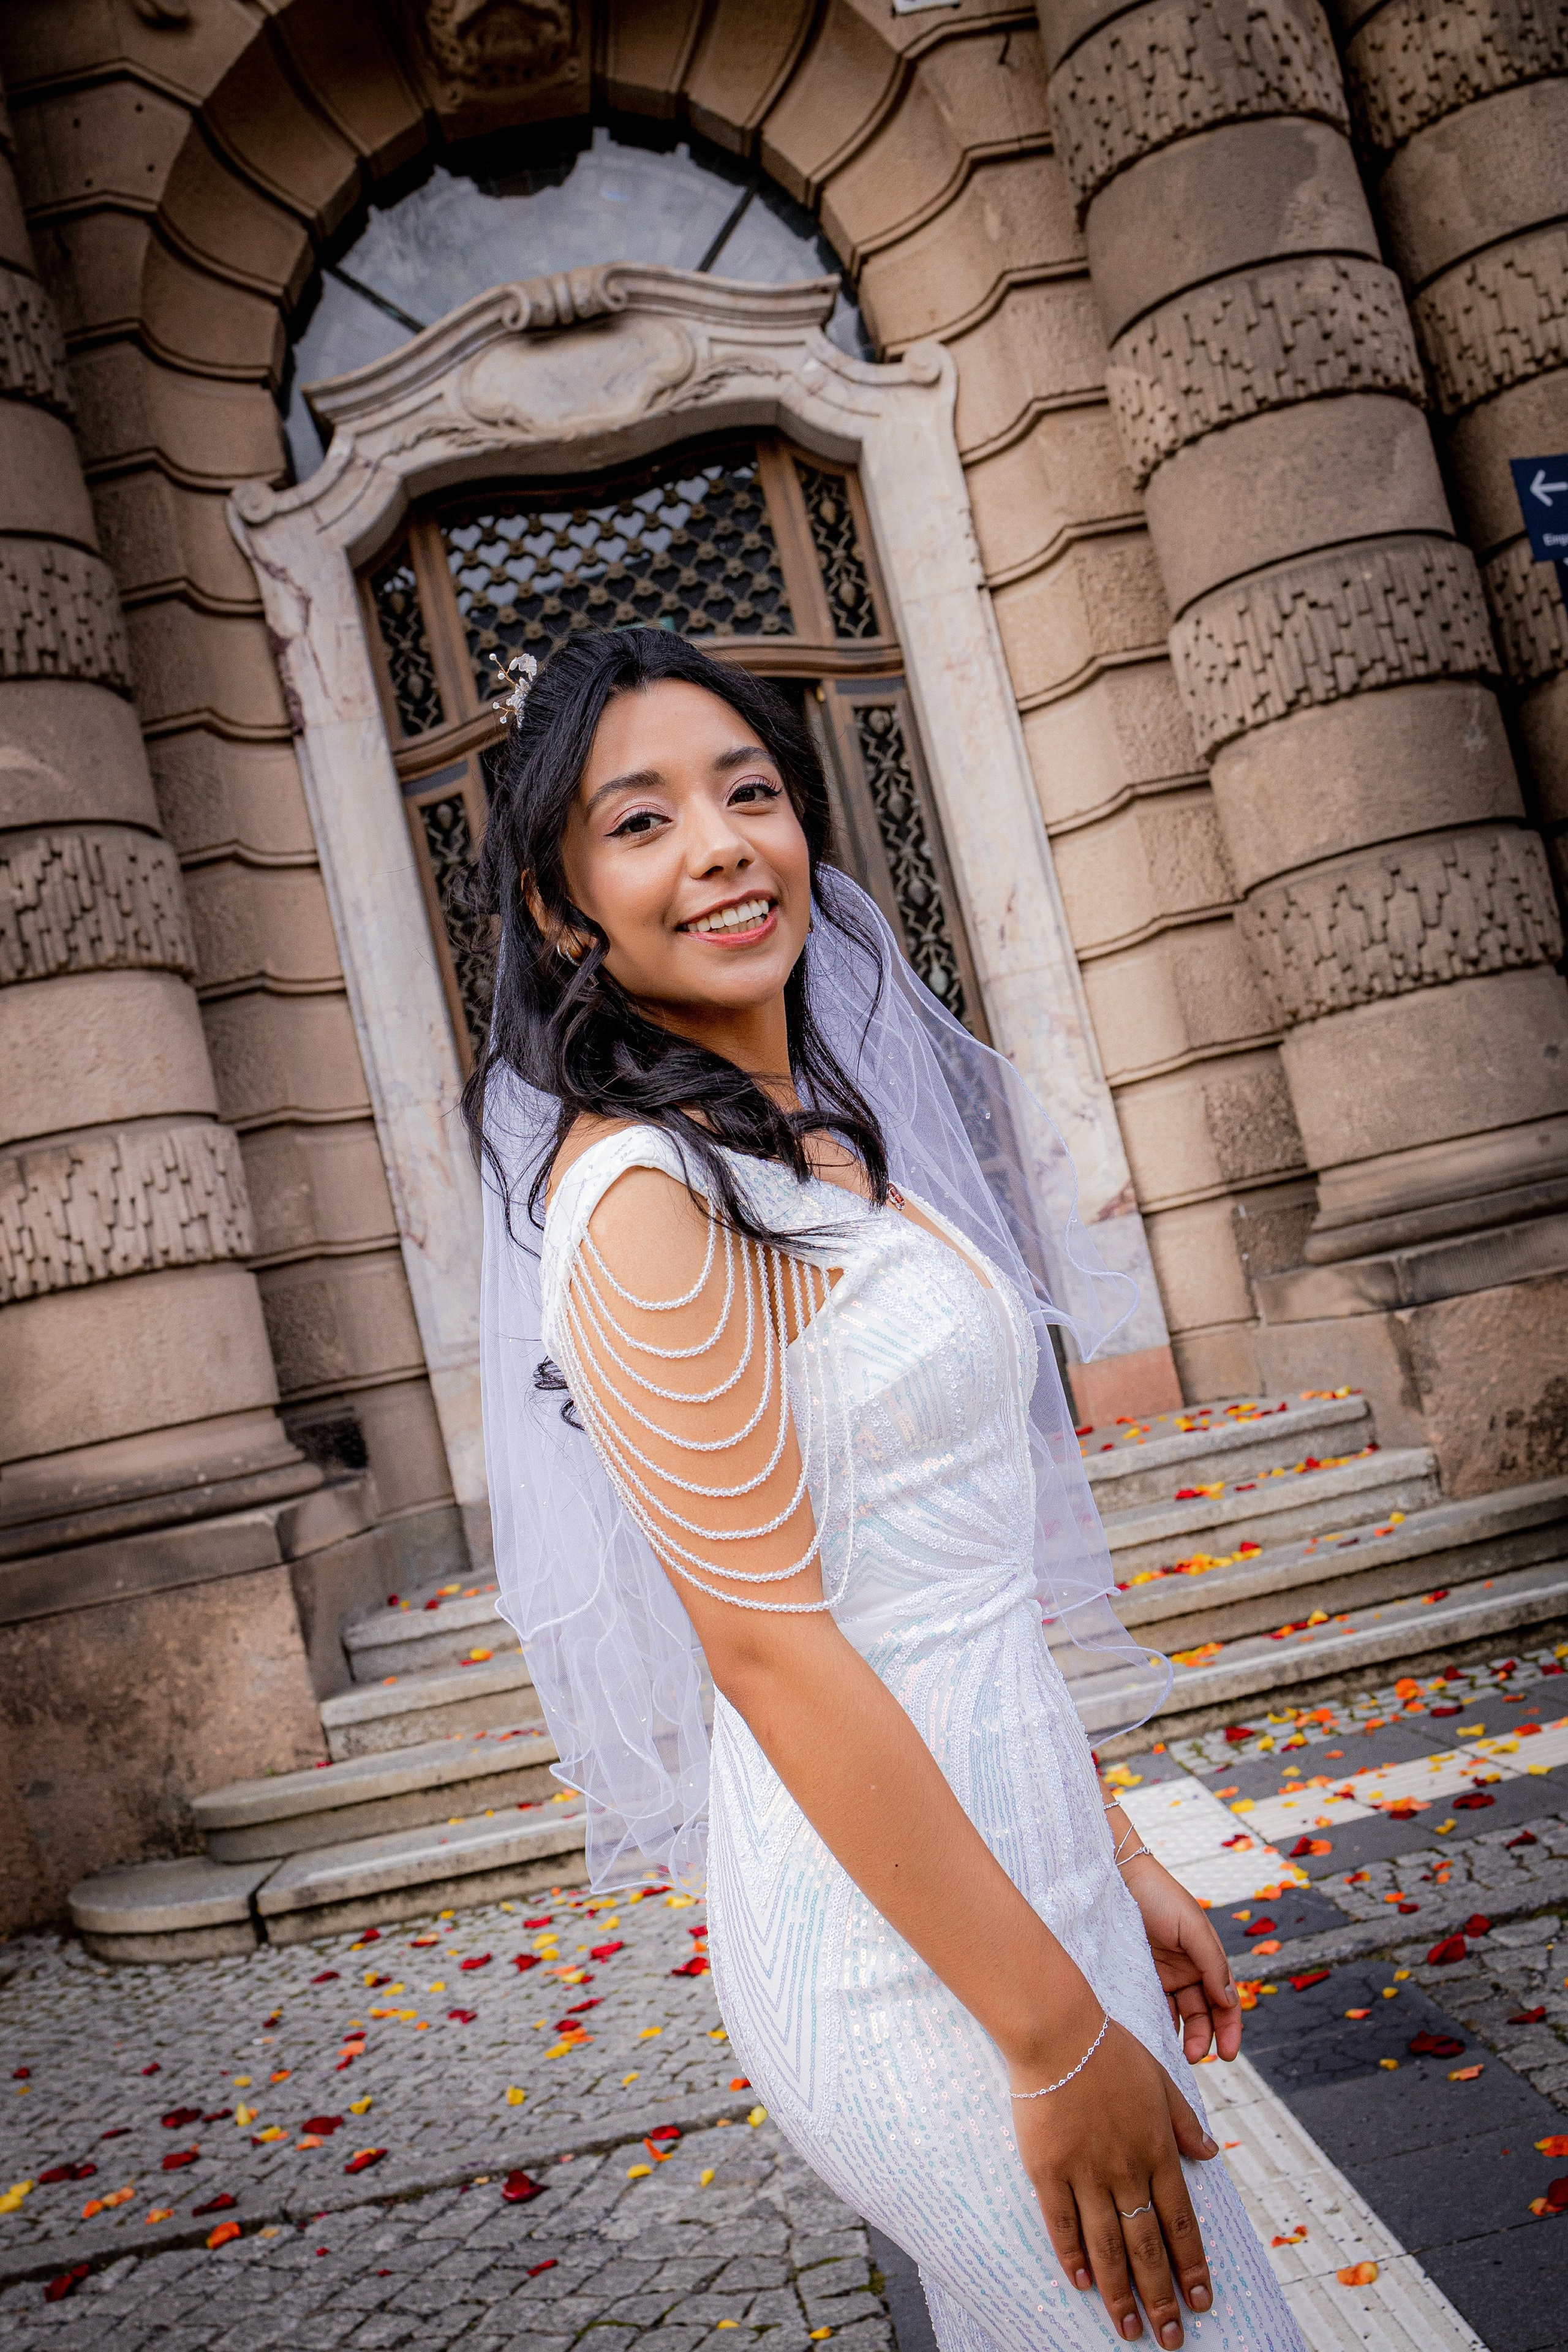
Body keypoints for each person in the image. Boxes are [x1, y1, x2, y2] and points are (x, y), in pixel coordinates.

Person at [467, 627, 1305, 2351]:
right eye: (641, 822)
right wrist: (1053, 2038)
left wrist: (1117, 1849)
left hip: (1031, 1858)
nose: (719, 846)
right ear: (562, 912)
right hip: (905, 1957)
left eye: (750, 792)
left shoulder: (820, 1139)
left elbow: (952, 1569)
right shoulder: (644, 1197)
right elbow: (771, 1646)